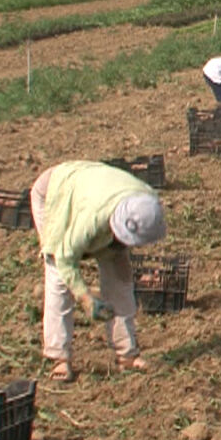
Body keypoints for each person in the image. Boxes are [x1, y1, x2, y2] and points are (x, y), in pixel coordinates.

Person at [30, 160, 167, 382]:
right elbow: (65, 257)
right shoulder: (92, 218)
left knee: (120, 276)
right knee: (58, 274)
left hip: (89, 189)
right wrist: (84, 297)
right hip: (55, 193)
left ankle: (127, 354)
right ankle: (59, 357)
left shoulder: (147, 203)